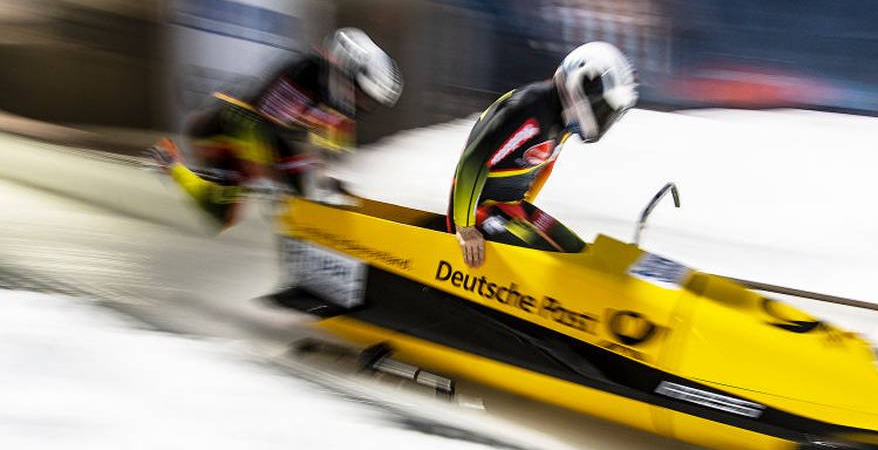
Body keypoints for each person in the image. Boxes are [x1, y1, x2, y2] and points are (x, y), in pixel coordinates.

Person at [149, 28, 402, 227]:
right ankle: (173, 166)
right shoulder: (300, 75)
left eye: (368, 100)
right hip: (222, 130)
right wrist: (269, 175)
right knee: (224, 214)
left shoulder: (336, 97)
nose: (361, 103)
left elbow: (330, 144)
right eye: (361, 93)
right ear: (345, 69)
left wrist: (330, 179)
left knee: (312, 187)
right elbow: (252, 124)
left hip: (263, 132)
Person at [449, 41, 638, 267]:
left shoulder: (563, 121)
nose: (604, 118)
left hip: (512, 208)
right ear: (582, 84)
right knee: (556, 266)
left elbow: (545, 165)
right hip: (479, 212)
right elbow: (475, 158)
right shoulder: (529, 107)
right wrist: (464, 227)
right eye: (604, 109)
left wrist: (524, 208)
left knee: (577, 252)